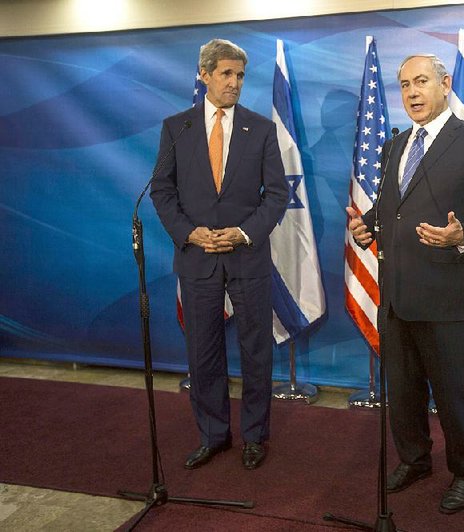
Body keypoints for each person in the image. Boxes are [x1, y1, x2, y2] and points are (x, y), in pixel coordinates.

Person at [347, 54, 464, 514]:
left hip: (447, 295)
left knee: (454, 396)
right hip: (397, 297)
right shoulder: (396, 145)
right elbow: (391, 210)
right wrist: (369, 228)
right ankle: (415, 460)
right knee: (402, 392)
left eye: (421, 82)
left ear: (444, 84)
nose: (412, 93)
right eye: (404, 85)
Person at [150, 39, 289, 471]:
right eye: (226, 74)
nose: (234, 83)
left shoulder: (260, 128)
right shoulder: (178, 128)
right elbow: (162, 190)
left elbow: (277, 194)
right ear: (205, 74)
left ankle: (254, 436)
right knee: (203, 352)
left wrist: (244, 233)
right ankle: (213, 435)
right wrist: (189, 233)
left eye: (241, 76)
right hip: (197, 257)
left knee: (255, 351)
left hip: (246, 256)